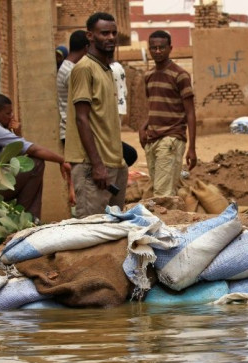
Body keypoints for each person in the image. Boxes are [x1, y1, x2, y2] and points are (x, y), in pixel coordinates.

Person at [0, 94, 72, 221]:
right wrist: (62, 160)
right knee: (36, 163)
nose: (11, 116)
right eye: (8, 113)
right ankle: (27, 219)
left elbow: (16, 157)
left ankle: (27, 219)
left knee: (26, 165)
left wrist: (17, 134)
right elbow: (33, 149)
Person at [65, 12, 126, 218]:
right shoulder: (84, 69)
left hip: (113, 162)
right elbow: (81, 118)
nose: (110, 37)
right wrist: (97, 165)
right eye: (104, 33)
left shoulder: (106, 69)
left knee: (114, 226)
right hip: (93, 165)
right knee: (91, 228)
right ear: (90, 36)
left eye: (113, 33)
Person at [139, 30, 196, 197]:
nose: (157, 51)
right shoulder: (148, 75)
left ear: (170, 48)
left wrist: (192, 148)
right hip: (152, 139)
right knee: (163, 190)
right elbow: (153, 106)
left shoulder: (180, 75)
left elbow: (190, 113)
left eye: (161, 48)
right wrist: (143, 128)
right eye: (153, 48)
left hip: (171, 138)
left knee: (162, 194)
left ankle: (166, 221)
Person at [57, 30, 89, 146]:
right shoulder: (72, 72)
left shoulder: (66, 67)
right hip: (73, 131)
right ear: (86, 48)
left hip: (71, 129)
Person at [110, 59, 138, 167]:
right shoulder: (118, 66)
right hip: (120, 106)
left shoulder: (109, 69)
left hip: (112, 107)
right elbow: (124, 90)